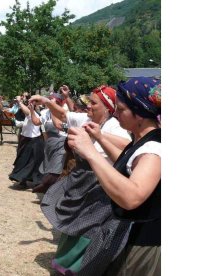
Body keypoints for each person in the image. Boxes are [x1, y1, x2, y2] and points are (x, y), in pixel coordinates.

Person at [31, 84, 132, 275]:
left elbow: (128, 145)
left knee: (90, 226)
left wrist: (99, 134)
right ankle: (66, 264)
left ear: (106, 106)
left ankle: (82, 266)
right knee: (74, 220)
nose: (88, 106)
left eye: (93, 103)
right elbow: (62, 115)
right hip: (81, 180)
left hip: (100, 185)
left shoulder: (115, 126)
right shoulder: (84, 118)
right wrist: (46, 101)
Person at [67, 78, 161, 275]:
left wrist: (91, 152)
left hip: (144, 244)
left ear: (140, 115)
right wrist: (100, 137)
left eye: (121, 109)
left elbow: (131, 197)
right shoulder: (143, 142)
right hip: (134, 236)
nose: (115, 113)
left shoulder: (153, 150)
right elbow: (128, 165)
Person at [30, 92, 68, 194]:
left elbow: (58, 125)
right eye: (50, 99)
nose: (50, 101)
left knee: (55, 171)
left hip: (61, 144)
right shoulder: (45, 112)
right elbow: (36, 122)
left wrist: (52, 110)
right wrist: (32, 110)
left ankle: (50, 190)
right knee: (49, 168)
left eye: (53, 100)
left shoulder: (64, 112)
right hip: (49, 145)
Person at [8, 95, 44, 189]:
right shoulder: (30, 114)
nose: (29, 105)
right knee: (22, 161)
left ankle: (33, 181)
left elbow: (27, 112)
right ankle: (23, 180)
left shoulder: (34, 114)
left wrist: (19, 102)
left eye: (31, 103)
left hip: (34, 142)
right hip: (26, 140)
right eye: (29, 103)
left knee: (32, 163)